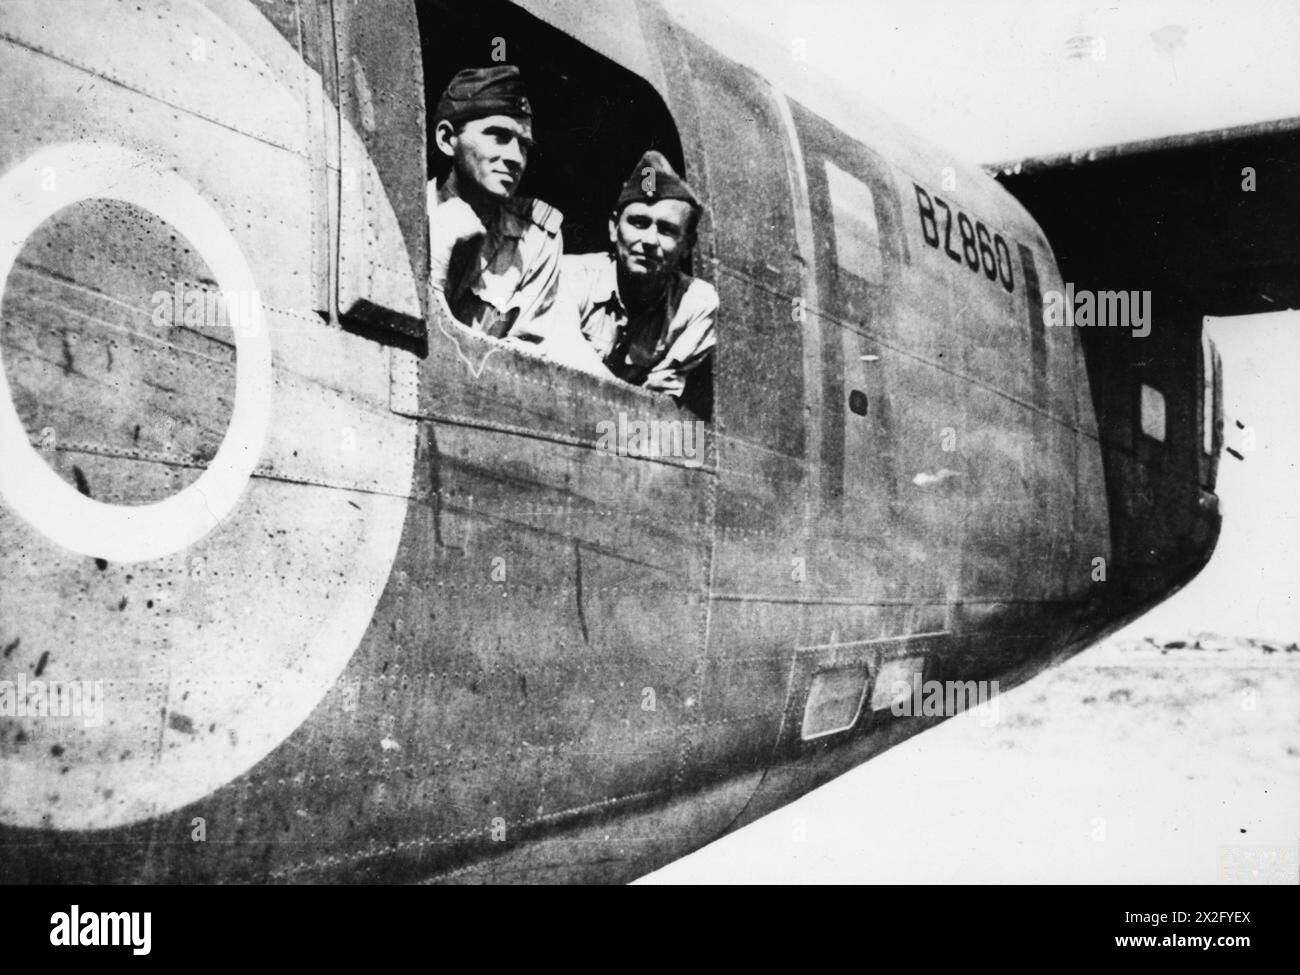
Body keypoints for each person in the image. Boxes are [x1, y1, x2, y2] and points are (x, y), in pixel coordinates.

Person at [546, 150, 716, 399]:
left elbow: (658, 398)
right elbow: (561, 353)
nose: (648, 240)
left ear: (687, 246)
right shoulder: (569, 276)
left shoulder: (695, 303)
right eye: (638, 223)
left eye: (666, 230)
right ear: (614, 229)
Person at [427, 65, 563, 338]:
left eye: (524, 144)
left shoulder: (536, 241)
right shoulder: (403, 209)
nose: (515, 157)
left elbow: (521, 357)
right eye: (498, 136)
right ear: (446, 139)